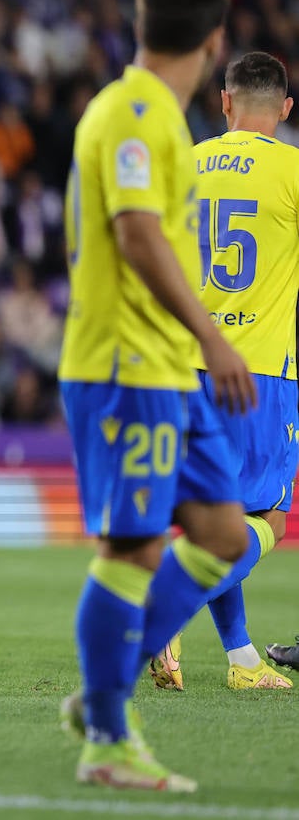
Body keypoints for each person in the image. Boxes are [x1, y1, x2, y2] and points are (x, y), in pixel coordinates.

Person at [57, 0, 257, 793]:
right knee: (133, 545)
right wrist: (214, 337)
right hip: (126, 364)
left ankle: (105, 686)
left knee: (223, 534)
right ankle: (107, 736)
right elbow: (139, 235)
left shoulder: (163, 120)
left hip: (166, 367)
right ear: (214, 43)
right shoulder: (134, 113)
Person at [155, 53, 298, 687]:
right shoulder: (293, 171)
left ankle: (241, 661)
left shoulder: (184, 164)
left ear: (224, 103)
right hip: (260, 373)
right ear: (286, 109)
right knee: (269, 517)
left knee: (215, 514)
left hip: (186, 367)